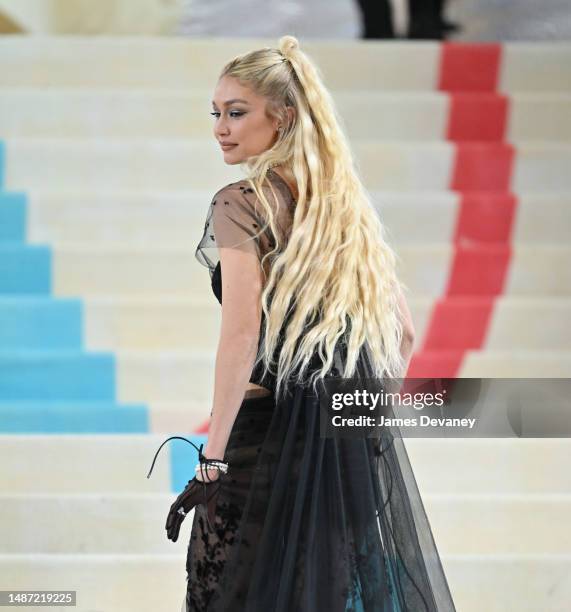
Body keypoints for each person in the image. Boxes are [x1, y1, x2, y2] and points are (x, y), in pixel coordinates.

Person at [146, 35, 457, 612]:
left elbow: (241, 338)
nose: (221, 127)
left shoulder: (240, 203)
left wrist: (212, 455)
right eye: (216, 113)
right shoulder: (342, 209)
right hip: (341, 450)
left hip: (260, 443)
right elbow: (404, 334)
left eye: (237, 113)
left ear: (283, 116)